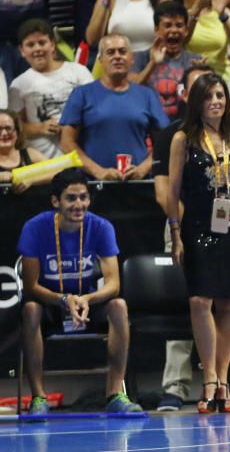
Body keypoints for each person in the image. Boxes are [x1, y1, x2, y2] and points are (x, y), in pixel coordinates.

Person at [18, 169, 143, 415]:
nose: (79, 205)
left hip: (86, 302)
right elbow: (31, 286)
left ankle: (116, 394)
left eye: (83, 197)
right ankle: (39, 398)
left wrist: (86, 298)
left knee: (119, 306)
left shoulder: (101, 227)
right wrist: (63, 300)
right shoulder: (34, 228)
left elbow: (113, 283)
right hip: (50, 303)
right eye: (71, 198)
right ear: (56, 201)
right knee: (30, 310)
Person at [166, 73, 230, 414]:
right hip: (197, 224)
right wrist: (174, 234)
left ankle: (224, 379)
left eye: (220, 95)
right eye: (208, 96)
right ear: (196, 102)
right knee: (201, 300)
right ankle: (209, 376)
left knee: (229, 303)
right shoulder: (183, 138)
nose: (216, 101)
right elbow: (172, 192)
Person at [149, 62, 213, 412]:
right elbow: (164, 193)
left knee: (222, 305)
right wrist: (188, 228)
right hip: (182, 227)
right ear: (186, 96)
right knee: (184, 303)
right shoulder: (171, 134)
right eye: (198, 88)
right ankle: (174, 386)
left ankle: (218, 383)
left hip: (225, 231)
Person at [60, 34, 169, 181]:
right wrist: (99, 172)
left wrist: (143, 169)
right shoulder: (81, 94)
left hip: (138, 184)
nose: (117, 56)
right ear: (100, 59)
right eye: (110, 52)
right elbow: (67, 144)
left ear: (132, 58)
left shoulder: (147, 95)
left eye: (122, 51)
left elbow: (164, 142)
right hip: (93, 185)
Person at [10, 19, 93, 160]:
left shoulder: (79, 72)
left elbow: (95, 109)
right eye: (30, 45)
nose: (37, 49)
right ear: (22, 51)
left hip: (83, 155)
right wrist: (41, 127)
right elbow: (15, 127)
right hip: (45, 161)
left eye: (42, 43)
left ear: (53, 44)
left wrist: (72, 127)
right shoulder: (18, 85)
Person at [129, 1, 203, 120]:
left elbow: (204, 104)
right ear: (156, 29)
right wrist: (152, 63)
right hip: (148, 127)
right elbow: (130, 91)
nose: (174, 30)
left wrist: (201, 76)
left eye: (179, 25)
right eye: (168, 25)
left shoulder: (196, 61)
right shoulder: (139, 58)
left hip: (184, 129)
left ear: (186, 30)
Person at [0, 109, 45, 192]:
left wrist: (31, 180)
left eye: (8, 128)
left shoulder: (30, 154)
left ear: (17, 131)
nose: (4, 133)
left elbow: (58, 173)